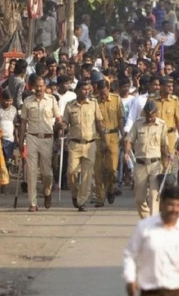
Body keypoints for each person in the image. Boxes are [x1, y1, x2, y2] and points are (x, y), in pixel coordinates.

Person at [20, 76, 61, 211]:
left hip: (47, 138)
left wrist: (61, 130)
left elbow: (58, 118)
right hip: (31, 137)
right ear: (33, 86)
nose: (39, 89)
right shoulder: (27, 101)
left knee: (47, 173)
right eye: (37, 86)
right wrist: (21, 141)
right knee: (31, 172)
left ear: (45, 86)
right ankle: (33, 203)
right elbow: (23, 123)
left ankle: (47, 192)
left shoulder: (52, 100)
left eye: (41, 86)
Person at [62, 80, 104, 212]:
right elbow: (65, 123)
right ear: (78, 90)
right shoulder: (70, 106)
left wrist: (103, 139)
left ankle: (82, 201)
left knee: (87, 175)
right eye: (84, 89)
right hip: (74, 144)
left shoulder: (93, 104)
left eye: (88, 89)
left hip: (90, 144)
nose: (86, 92)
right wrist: (61, 127)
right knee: (71, 173)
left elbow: (99, 122)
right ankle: (75, 195)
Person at [125, 100, 170, 218]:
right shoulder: (137, 124)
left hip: (155, 164)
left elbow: (164, 145)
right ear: (144, 114)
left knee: (154, 196)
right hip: (140, 164)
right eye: (148, 116)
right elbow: (129, 140)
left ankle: (153, 222)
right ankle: (146, 219)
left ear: (156, 113)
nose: (150, 118)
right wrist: (126, 152)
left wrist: (168, 157)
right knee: (139, 198)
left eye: (152, 116)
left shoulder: (162, 124)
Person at [94, 79, 124, 206]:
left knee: (112, 168)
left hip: (112, 135)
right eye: (101, 93)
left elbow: (121, 118)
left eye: (105, 92)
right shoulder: (94, 101)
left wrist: (123, 135)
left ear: (108, 88)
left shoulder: (116, 99)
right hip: (97, 137)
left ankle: (110, 188)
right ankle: (100, 197)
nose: (103, 95)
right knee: (98, 169)